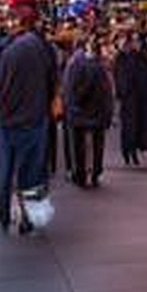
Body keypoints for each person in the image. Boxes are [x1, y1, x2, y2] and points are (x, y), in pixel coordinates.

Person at [0, 8, 60, 233]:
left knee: (5, 169)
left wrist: (0, 111)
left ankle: (1, 213)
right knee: (32, 171)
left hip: (8, 120)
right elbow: (53, 80)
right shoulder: (42, 47)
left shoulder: (7, 50)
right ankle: (30, 218)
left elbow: (0, 87)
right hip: (35, 118)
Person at [62, 31, 115, 187]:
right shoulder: (99, 65)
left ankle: (80, 174)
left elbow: (70, 89)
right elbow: (106, 90)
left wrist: (71, 106)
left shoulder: (73, 64)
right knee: (97, 142)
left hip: (79, 112)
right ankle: (95, 172)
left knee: (78, 144)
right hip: (97, 111)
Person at [114, 28, 147, 170]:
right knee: (129, 126)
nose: (136, 44)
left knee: (139, 125)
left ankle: (136, 149)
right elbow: (120, 76)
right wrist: (124, 92)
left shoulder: (143, 56)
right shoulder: (123, 56)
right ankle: (128, 151)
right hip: (130, 97)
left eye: (138, 41)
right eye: (134, 41)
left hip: (142, 97)